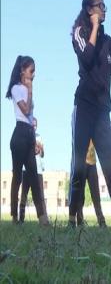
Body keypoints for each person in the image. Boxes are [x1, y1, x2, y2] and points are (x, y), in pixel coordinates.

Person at [69, 0, 111, 228]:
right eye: (101, 5)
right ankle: (71, 219)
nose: (104, 9)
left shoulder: (107, 41)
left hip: (103, 110)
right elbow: (86, 58)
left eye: (105, 6)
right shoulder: (80, 32)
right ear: (90, 9)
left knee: (109, 165)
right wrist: (94, 27)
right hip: (84, 106)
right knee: (79, 165)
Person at [6, 56, 49, 226]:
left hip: (29, 135)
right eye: (31, 70)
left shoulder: (27, 88)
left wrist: (34, 142)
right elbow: (25, 110)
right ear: (23, 70)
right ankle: (14, 216)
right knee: (17, 177)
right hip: (19, 135)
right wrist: (30, 90)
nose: (34, 74)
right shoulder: (17, 88)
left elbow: (31, 117)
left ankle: (43, 219)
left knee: (33, 176)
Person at [19, 117, 47, 223]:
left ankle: (44, 219)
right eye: (33, 124)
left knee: (41, 196)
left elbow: (43, 155)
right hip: (26, 170)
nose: (34, 126)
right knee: (23, 195)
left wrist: (41, 149)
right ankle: (21, 219)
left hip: (38, 170)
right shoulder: (25, 136)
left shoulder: (39, 137)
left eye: (36, 125)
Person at [75, 140, 107, 227]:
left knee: (96, 193)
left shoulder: (93, 129)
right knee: (80, 194)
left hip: (92, 163)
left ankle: (101, 221)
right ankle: (80, 221)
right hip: (82, 163)